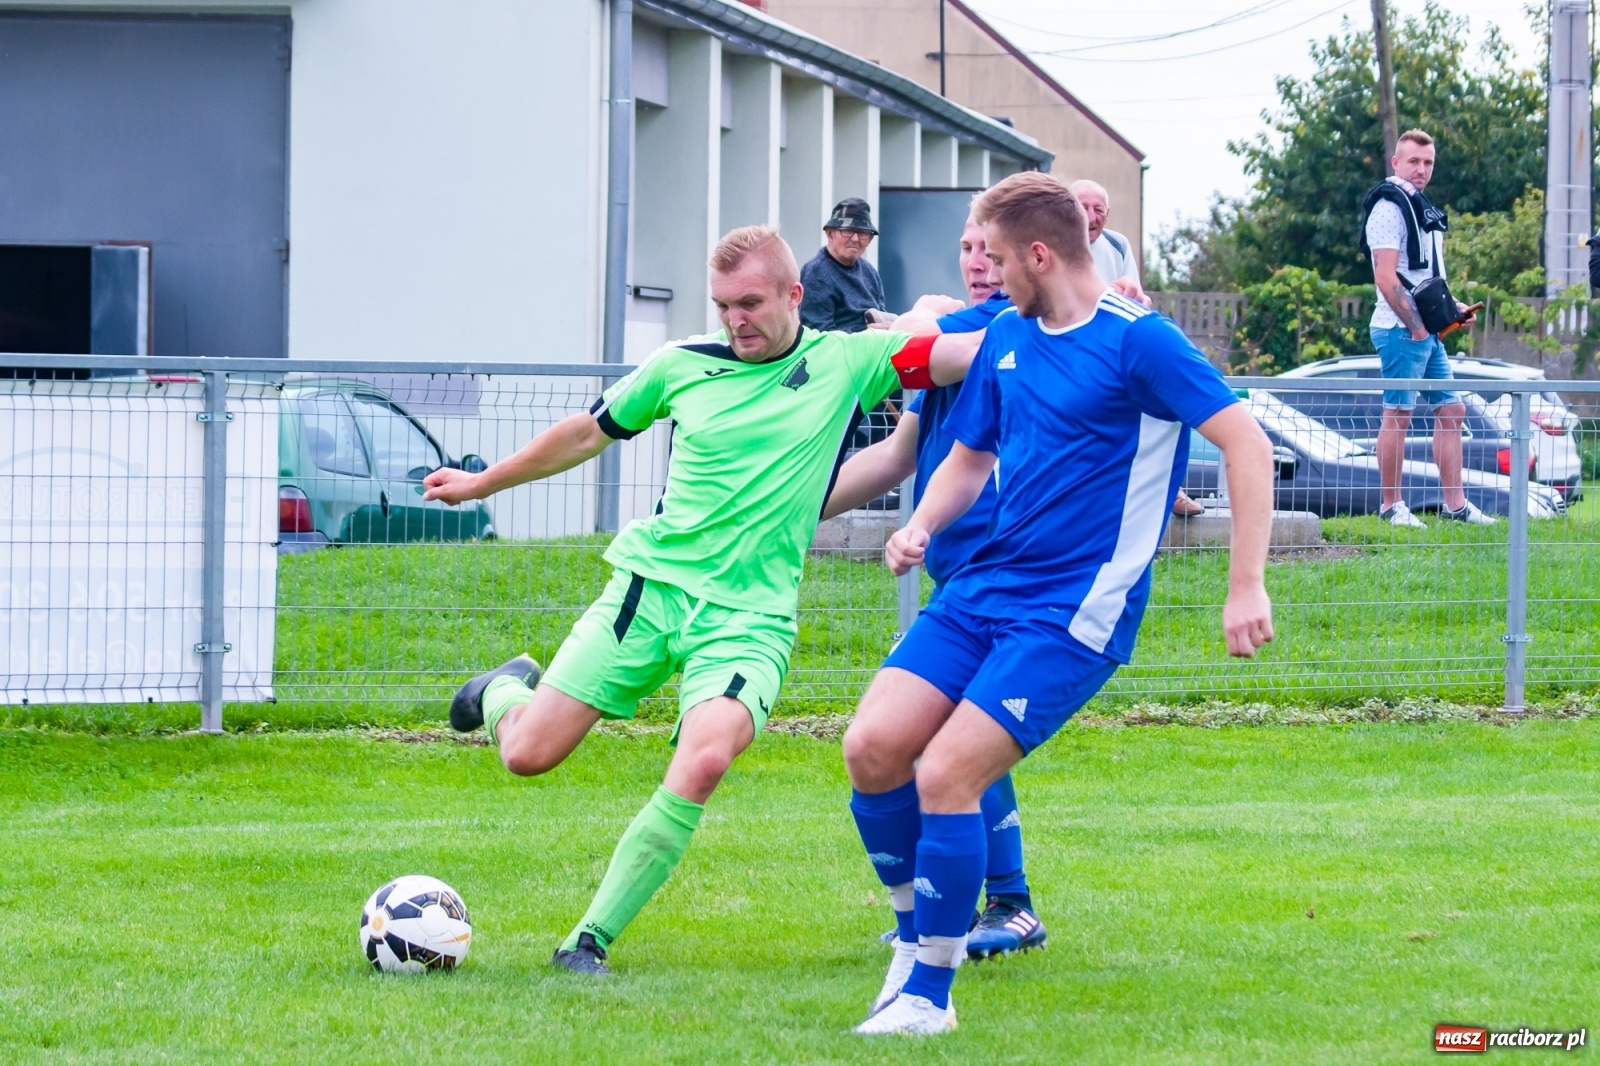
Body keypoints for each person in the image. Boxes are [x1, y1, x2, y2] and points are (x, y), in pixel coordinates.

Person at [422, 225, 979, 977]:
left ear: (794, 295)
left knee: (707, 755)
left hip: (749, 619)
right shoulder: (678, 365)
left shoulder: (848, 360)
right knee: (526, 755)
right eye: (723, 306)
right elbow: (587, 434)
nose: (735, 319)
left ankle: (587, 941)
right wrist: (482, 482)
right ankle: (502, 692)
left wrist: (1012, 314)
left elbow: (966, 357)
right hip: (648, 593)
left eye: (750, 303)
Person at [844, 173, 1276, 1035]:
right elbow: (969, 455)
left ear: (1040, 254)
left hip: (1073, 611)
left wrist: (1246, 582)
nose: (987, 274)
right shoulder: (1011, 334)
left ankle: (930, 996)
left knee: (947, 772)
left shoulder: (1137, 342)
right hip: (982, 588)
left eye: (996, 258)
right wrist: (921, 526)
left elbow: (1246, 439)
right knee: (872, 748)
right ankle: (910, 938)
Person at [826, 211, 1043, 969]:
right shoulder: (953, 337)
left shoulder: (1020, 332)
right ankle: (926, 918)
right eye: (966, 247)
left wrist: (916, 318)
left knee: (956, 745)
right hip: (957, 575)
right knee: (885, 743)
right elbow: (896, 456)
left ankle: (1009, 904)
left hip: (1022, 580)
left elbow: (915, 336)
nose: (978, 261)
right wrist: (789, 509)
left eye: (993, 249)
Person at [1360, 128, 1490, 528]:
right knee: (1397, 414)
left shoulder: (1421, 206)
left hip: (1425, 332)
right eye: (1413, 161)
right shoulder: (1388, 206)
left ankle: (1456, 508)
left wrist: (1452, 311)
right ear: (1396, 162)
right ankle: (1390, 507)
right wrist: (1416, 327)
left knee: (1452, 409)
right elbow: (1385, 277)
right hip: (1399, 330)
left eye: (1428, 162)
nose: (1421, 169)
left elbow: (1426, 278)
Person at [799, 197, 886, 333]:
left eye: (862, 233)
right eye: (847, 231)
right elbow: (819, 336)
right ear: (830, 233)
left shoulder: (870, 272)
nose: (855, 239)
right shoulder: (816, 273)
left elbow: (883, 316)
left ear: (870, 240)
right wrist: (866, 334)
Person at [1071, 179, 1148, 306]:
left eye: (1098, 209)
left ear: (1107, 214)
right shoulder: (1051, 245)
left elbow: (1136, 301)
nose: (1091, 218)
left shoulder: (1119, 245)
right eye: (1083, 208)